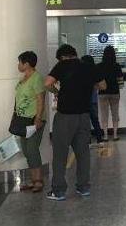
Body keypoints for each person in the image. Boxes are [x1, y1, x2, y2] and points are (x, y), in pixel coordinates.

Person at [44, 44, 106, 201]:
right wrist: (86, 87)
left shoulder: (62, 65)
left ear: (62, 57)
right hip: (84, 116)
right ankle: (83, 187)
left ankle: (58, 191)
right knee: (83, 153)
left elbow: (47, 83)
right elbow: (103, 85)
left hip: (65, 116)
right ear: (75, 54)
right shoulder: (89, 67)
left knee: (60, 154)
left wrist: (58, 92)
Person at [15, 51, 46, 193]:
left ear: (26, 64)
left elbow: (40, 99)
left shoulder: (36, 78)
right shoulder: (23, 79)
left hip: (34, 119)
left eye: (20, 62)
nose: (18, 65)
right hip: (22, 119)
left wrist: (38, 118)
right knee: (26, 150)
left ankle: (38, 180)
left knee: (32, 150)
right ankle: (33, 179)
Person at [97, 46, 123, 141]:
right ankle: (115, 135)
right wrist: (118, 87)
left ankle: (105, 136)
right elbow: (120, 80)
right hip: (115, 92)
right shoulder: (117, 65)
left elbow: (96, 79)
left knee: (104, 115)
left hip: (102, 93)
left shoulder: (99, 66)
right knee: (115, 113)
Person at [81, 55, 104, 145]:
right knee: (95, 121)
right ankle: (99, 140)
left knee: (85, 122)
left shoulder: (81, 73)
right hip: (93, 100)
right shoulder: (94, 72)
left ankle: (88, 141)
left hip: (83, 101)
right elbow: (101, 86)